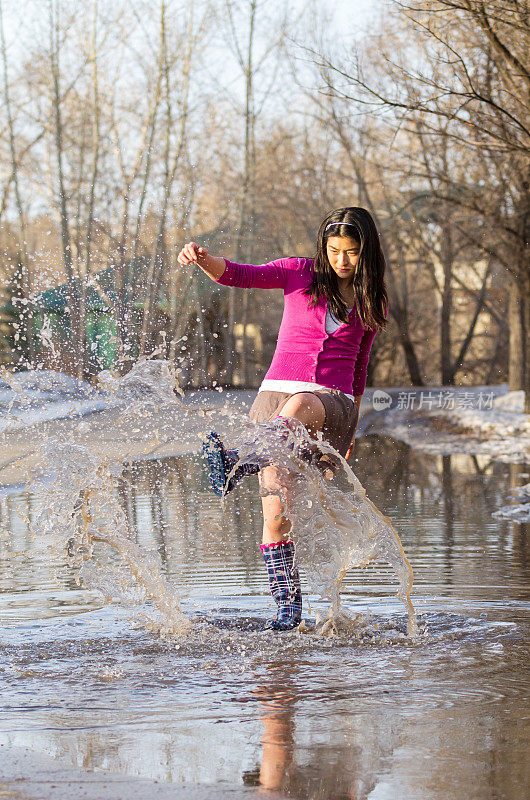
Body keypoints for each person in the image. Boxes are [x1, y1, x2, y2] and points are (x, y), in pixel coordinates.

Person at [177, 206, 389, 631]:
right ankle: (287, 613)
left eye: (351, 253)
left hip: (332, 402)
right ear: (322, 248)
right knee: (276, 516)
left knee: (301, 406)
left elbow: (361, 365)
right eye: (334, 251)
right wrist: (203, 259)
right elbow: (241, 274)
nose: (342, 261)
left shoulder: (370, 299)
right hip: (274, 402)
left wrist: (354, 425)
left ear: (366, 252)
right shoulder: (298, 273)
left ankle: (236, 462)